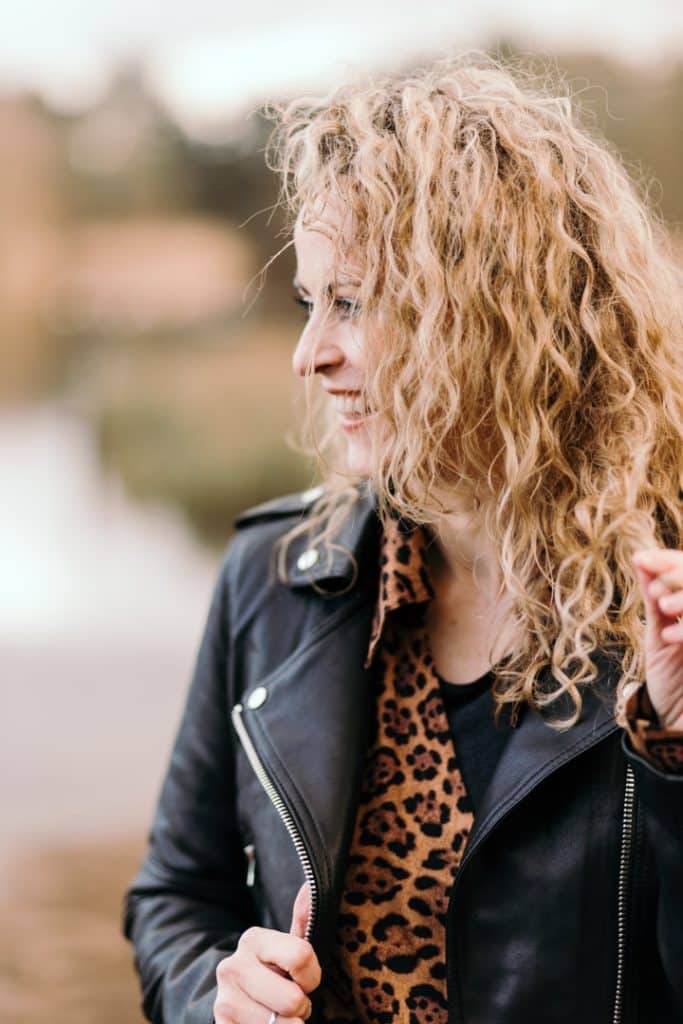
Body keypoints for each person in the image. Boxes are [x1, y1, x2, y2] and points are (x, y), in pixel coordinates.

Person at [123, 55, 683, 1024]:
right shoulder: (275, 574)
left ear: (492, 311)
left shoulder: (664, 595)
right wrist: (211, 994)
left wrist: (673, 751)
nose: (311, 355)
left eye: (354, 302)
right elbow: (174, 894)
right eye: (310, 303)